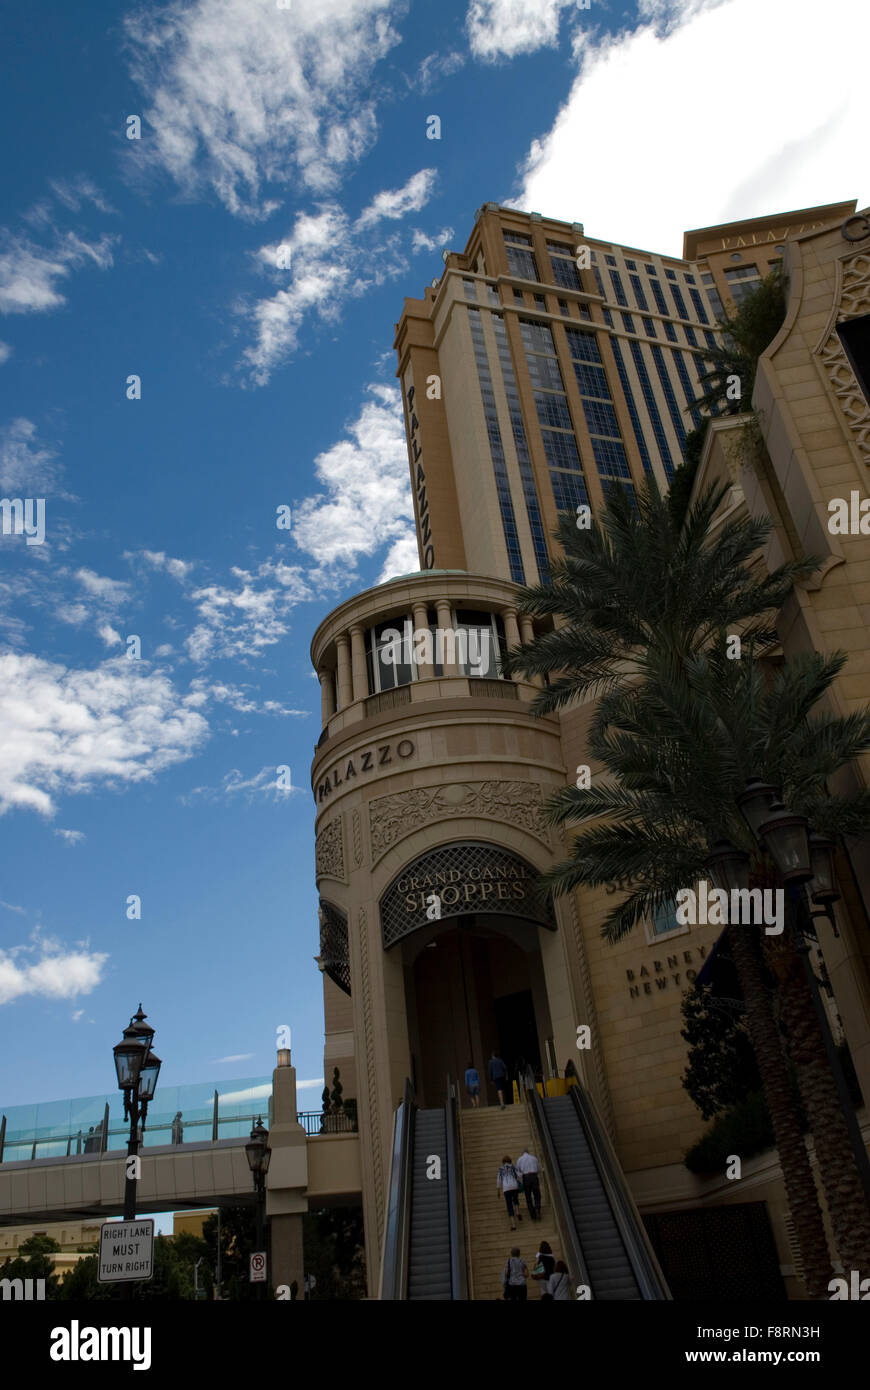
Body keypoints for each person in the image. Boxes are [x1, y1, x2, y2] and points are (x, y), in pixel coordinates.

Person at [497, 1155, 523, 1231]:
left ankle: (513, 1225)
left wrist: (498, 1190)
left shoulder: (501, 1169)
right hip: (514, 1186)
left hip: (506, 1188)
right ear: (510, 1161)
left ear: (503, 1162)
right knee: (515, 1199)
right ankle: (517, 1212)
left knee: (509, 1205)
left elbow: (498, 1180)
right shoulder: (513, 1166)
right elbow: (520, 1175)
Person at [515, 1146, 543, 1219]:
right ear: (528, 1152)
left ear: (522, 1153)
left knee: (528, 1196)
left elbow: (517, 1171)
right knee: (537, 1194)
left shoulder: (520, 1159)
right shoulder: (534, 1158)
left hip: (526, 1177)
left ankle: (532, 1213)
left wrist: (521, 1176)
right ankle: (537, 1207)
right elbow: (539, 1169)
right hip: (534, 1176)